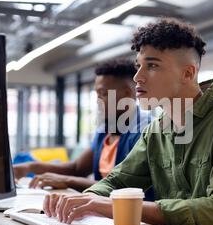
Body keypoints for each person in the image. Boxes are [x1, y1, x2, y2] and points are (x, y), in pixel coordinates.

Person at [43, 18, 213, 225]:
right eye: (138, 66)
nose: (137, 78)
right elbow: (118, 182)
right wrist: (86, 200)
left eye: (152, 66)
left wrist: (120, 206)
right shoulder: (157, 128)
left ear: (188, 73)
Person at [13, 59, 152, 194]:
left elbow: (124, 188)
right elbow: (77, 168)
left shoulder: (144, 131)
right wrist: (29, 167)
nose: (97, 101)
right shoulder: (106, 129)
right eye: (96, 94)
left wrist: (67, 181)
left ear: (128, 93)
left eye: (103, 94)